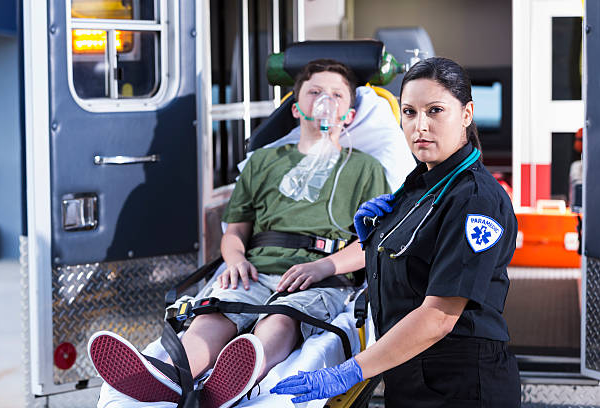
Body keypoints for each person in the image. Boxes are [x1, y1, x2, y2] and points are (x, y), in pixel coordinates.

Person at [88, 59, 391, 408]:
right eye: (315, 92)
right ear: (295, 108)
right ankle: (169, 376)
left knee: (282, 318)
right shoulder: (264, 163)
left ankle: (244, 371)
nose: (326, 101)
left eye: (337, 95)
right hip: (255, 270)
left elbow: (371, 243)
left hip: (319, 275)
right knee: (216, 313)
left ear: (349, 115)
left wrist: (323, 268)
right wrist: (233, 260)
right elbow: (235, 231)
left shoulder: (365, 168)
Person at [271, 57, 522, 407]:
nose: (420, 126)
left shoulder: (475, 201)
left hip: (461, 386)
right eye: (409, 112)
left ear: (466, 114)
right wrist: (373, 241)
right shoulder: (421, 184)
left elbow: (439, 316)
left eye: (435, 111)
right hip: (409, 376)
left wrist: (351, 370)